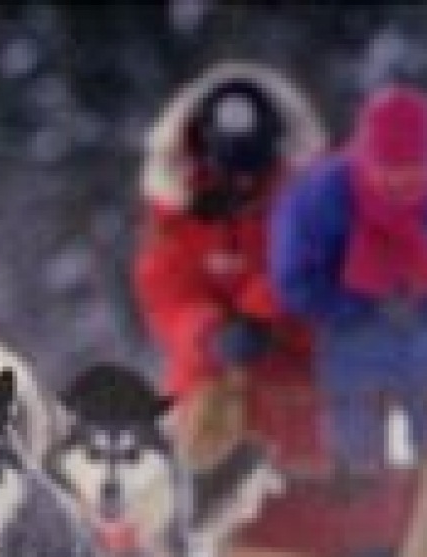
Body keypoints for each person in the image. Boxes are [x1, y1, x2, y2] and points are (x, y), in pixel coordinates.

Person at [270, 84, 427, 472]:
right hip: (348, 333)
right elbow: (294, 282)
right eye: (389, 176)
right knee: (353, 454)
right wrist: (356, 302)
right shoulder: (318, 197)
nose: (401, 188)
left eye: (413, 177)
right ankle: (360, 519)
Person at [132, 62, 330, 474]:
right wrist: (211, 333)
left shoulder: (308, 197)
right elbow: (165, 294)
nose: (241, 186)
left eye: (251, 175)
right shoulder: (174, 210)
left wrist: (260, 314)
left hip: (295, 354)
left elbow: (311, 262)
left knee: (307, 426)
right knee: (190, 432)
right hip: (206, 366)